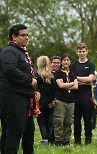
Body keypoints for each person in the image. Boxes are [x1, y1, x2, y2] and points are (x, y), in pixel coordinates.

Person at [0, 24, 37, 154]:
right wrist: (29, 81)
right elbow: (9, 69)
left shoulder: (21, 51)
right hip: (12, 97)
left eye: (27, 35)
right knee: (13, 133)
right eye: (23, 35)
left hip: (24, 97)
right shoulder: (9, 51)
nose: (26, 38)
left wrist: (34, 91)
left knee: (28, 133)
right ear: (14, 37)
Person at [72, 43, 95, 145]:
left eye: (83, 51)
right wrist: (83, 80)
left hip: (87, 94)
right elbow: (72, 81)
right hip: (76, 94)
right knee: (76, 120)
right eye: (80, 51)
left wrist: (77, 78)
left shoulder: (90, 64)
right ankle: (77, 141)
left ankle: (88, 140)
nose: (82, 53)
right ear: (77, 52)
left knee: (87, 119)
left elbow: (90, 79)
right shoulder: (73, 65)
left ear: (87, 52)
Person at [54, 54, 78, 146]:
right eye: (64, 60)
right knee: (59, 121)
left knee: (68, 121)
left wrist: (66, 85)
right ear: (61, 62)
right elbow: (60, 85)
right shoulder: (58, 73)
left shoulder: (73, 73)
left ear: (70, 62)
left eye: (68, 60)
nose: (66, 62)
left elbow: (76, 87)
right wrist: (71, 83)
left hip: (71, 101)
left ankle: (66, 140)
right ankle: (58, 140)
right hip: (60, 100)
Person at [36, 56, 56, 145]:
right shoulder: (51, 76)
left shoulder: (37, 76)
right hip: (50, 101)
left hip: (41, 101)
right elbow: (54, 89)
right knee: (49, 120)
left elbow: (37, 88)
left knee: (41, 121)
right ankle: (50, 138)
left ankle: (45, 139)